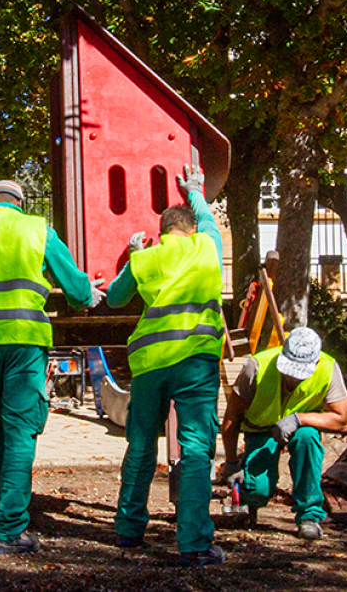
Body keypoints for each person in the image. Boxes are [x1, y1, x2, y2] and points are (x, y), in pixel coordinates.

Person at [0, 179, 104, 555]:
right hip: (25, 342)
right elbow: (77, 292)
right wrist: (89, 293)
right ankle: (9, 529)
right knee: (21, 431)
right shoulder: (37, 229)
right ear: (20, 203)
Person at [105, 165, 226, 566]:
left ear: (161, 232)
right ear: (190, 229)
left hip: (151, 364)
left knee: (140, 445)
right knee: (194, 450)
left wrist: (136, 256)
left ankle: (128, 530)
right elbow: (208, 217)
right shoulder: (207, 245)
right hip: (195, 362)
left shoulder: (147, 258)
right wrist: (194, 190)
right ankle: (193, 543)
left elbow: (117, 299)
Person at [219, 327, 347, 540]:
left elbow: (343, 420)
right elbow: (232, 417)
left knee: (307, 437)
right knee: (257, 489)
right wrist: (232, 462)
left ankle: (309, 515)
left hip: (300, 429)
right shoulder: (257, 366)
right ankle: (248, 503)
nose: (292, 377)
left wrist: (299, 419)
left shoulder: (328, 368)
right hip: (260, 430)